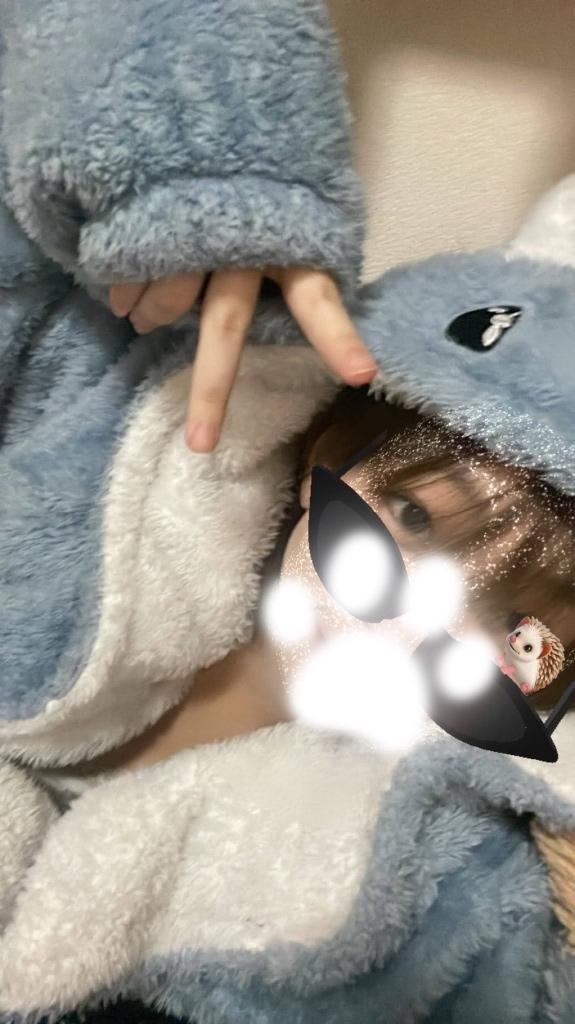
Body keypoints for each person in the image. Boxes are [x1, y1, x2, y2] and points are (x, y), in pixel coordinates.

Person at [2, 5, 575, 1024]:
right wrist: (201, 160)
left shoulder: (436, 874)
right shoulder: (88, 417)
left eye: (508, 631)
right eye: (410, 517)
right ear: (326, 443)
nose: (409, 621)